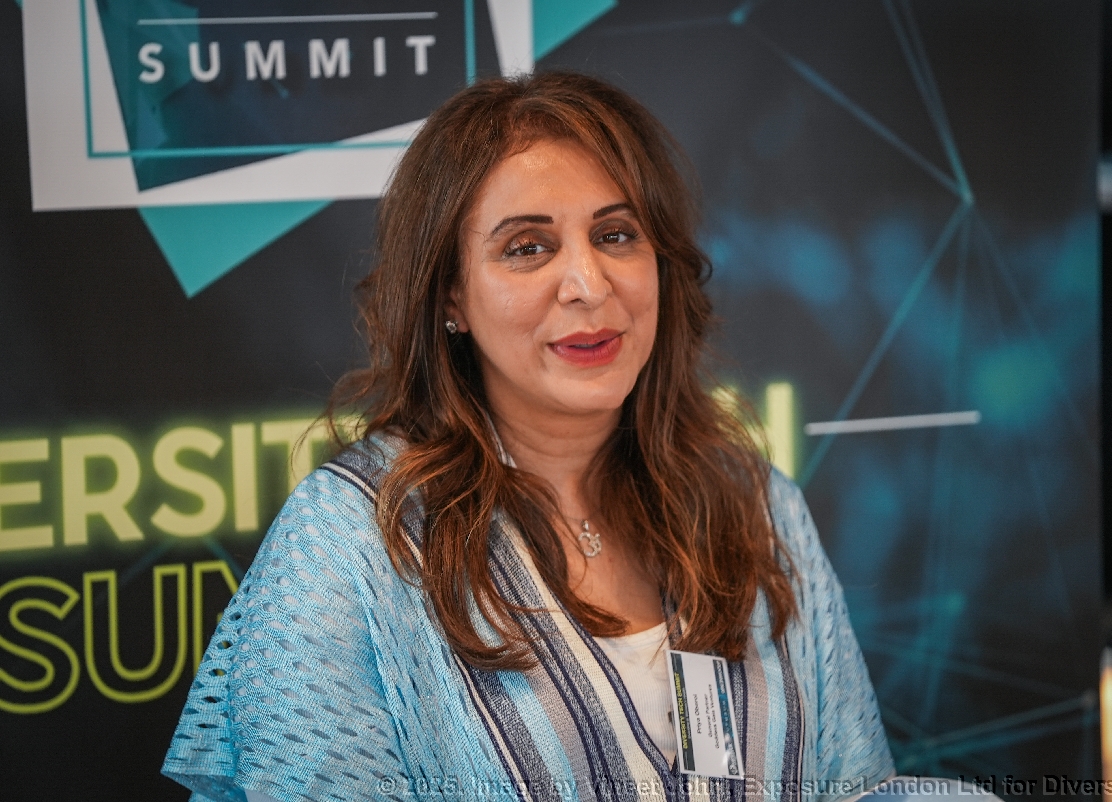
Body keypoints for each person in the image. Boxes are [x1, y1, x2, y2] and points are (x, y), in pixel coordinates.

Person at [162, 71, 894, 802]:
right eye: (527, 248)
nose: (589, 284)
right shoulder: (352, 539)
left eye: (615, 235)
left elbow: (859, 785)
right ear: (451, 295)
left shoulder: (756, 505)